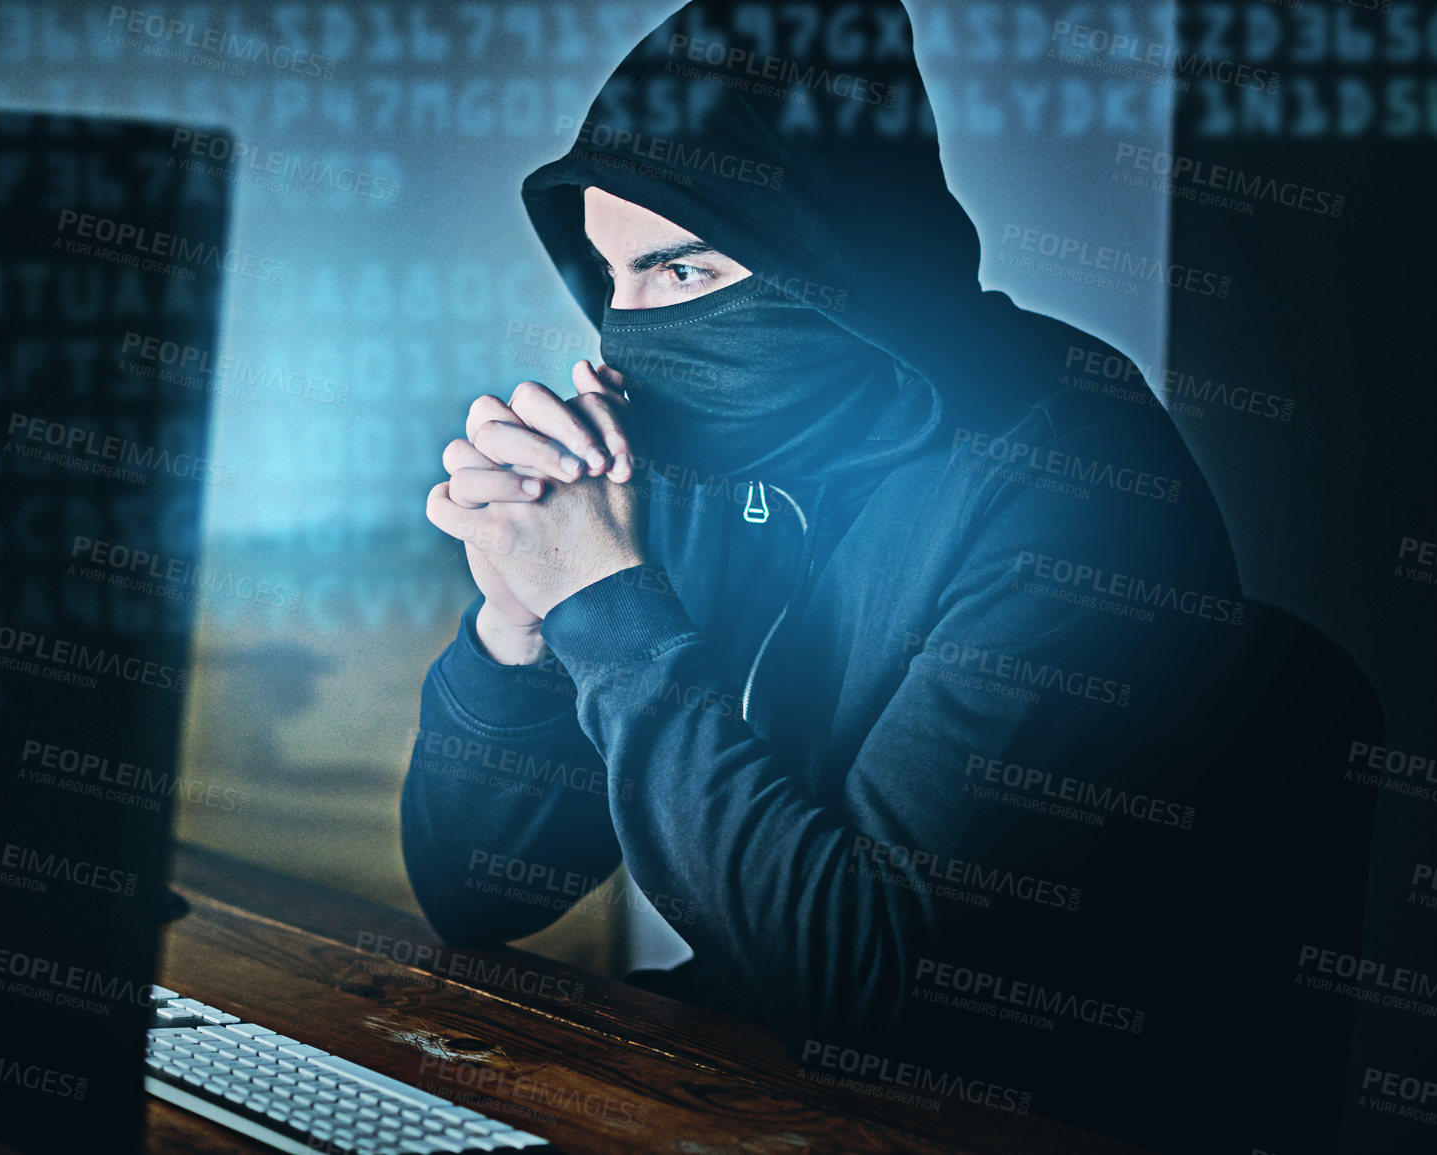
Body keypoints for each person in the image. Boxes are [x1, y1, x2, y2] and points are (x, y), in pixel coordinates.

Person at [403, 3, 1374, 1151]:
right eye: (611, 277)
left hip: (1004, 1111)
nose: (627, 330)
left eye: (679, 268)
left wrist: (602, 609)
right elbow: (476, 890)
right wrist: (522, 619)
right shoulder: (696, 443)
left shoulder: (1070, 476)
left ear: (832, 248)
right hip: (744, 1079)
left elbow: (870, 990)